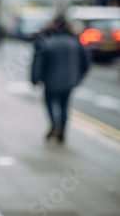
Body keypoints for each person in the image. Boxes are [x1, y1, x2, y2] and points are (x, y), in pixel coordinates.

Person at [31, 15, 90, 143]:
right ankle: (62, 131)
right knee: (64, 105)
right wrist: (78, 78)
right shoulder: (75, 41)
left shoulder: (46, 40)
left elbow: (38, 62)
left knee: (50, 102)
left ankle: (54, 124)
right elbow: (86, 62)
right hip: (69, 81)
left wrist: (35, 79)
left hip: (50, 80)